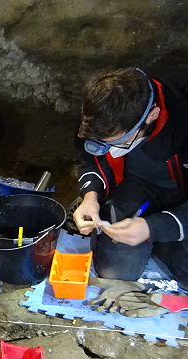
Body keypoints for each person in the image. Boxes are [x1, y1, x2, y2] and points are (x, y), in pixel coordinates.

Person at [73, 67, 188, 286]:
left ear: (151, 116)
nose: (109, 148)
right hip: (136, 186)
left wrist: (153, 227)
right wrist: (90, 196)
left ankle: (163, 245)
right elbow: (90, 159)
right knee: (115, 269)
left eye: (118, 142)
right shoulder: (101, 113)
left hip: (182, 197)